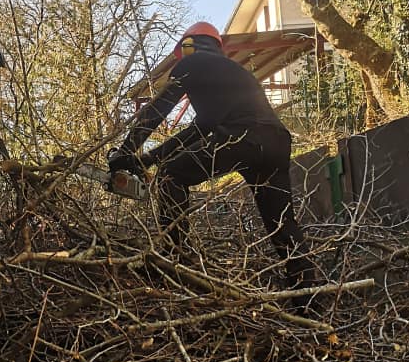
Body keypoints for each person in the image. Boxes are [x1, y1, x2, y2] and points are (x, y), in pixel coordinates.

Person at [109, 21, 315, 286]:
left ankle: (176, 263)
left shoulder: (190, 63)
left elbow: (157, 110)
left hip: (243, 138)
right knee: (282, 224)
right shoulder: (232, 72)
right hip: (275, 142)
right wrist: (148, 159)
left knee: (172, 174)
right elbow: (201, 127)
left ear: (188, 46)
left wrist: (125, 152)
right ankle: (307, 295)